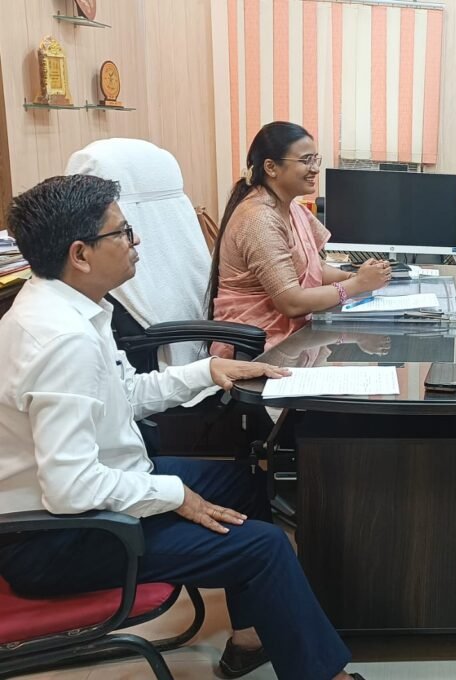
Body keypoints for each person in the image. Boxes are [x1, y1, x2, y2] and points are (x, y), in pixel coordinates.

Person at [0, 175, 364, 680]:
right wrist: (174, 495)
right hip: (60, 540)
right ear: (80, 255)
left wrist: (207, 371)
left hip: (100, 492)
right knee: (265, 546)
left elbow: (124, 396)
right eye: (122, 232)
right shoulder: (61, 340)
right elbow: (71, 488)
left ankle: (251, 637)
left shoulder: (73, 308)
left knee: (244, 482)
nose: (137, 241)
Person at [209, 121, 390, 354]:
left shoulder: (292, 208)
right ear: (271, 167)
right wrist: (357, 285)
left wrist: (357, 277)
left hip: (294, 337)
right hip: (256, 347)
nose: (315, 169)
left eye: (315, 160)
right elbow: (291, 303)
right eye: (306, 161)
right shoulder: (259, 220)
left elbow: (315, 268)